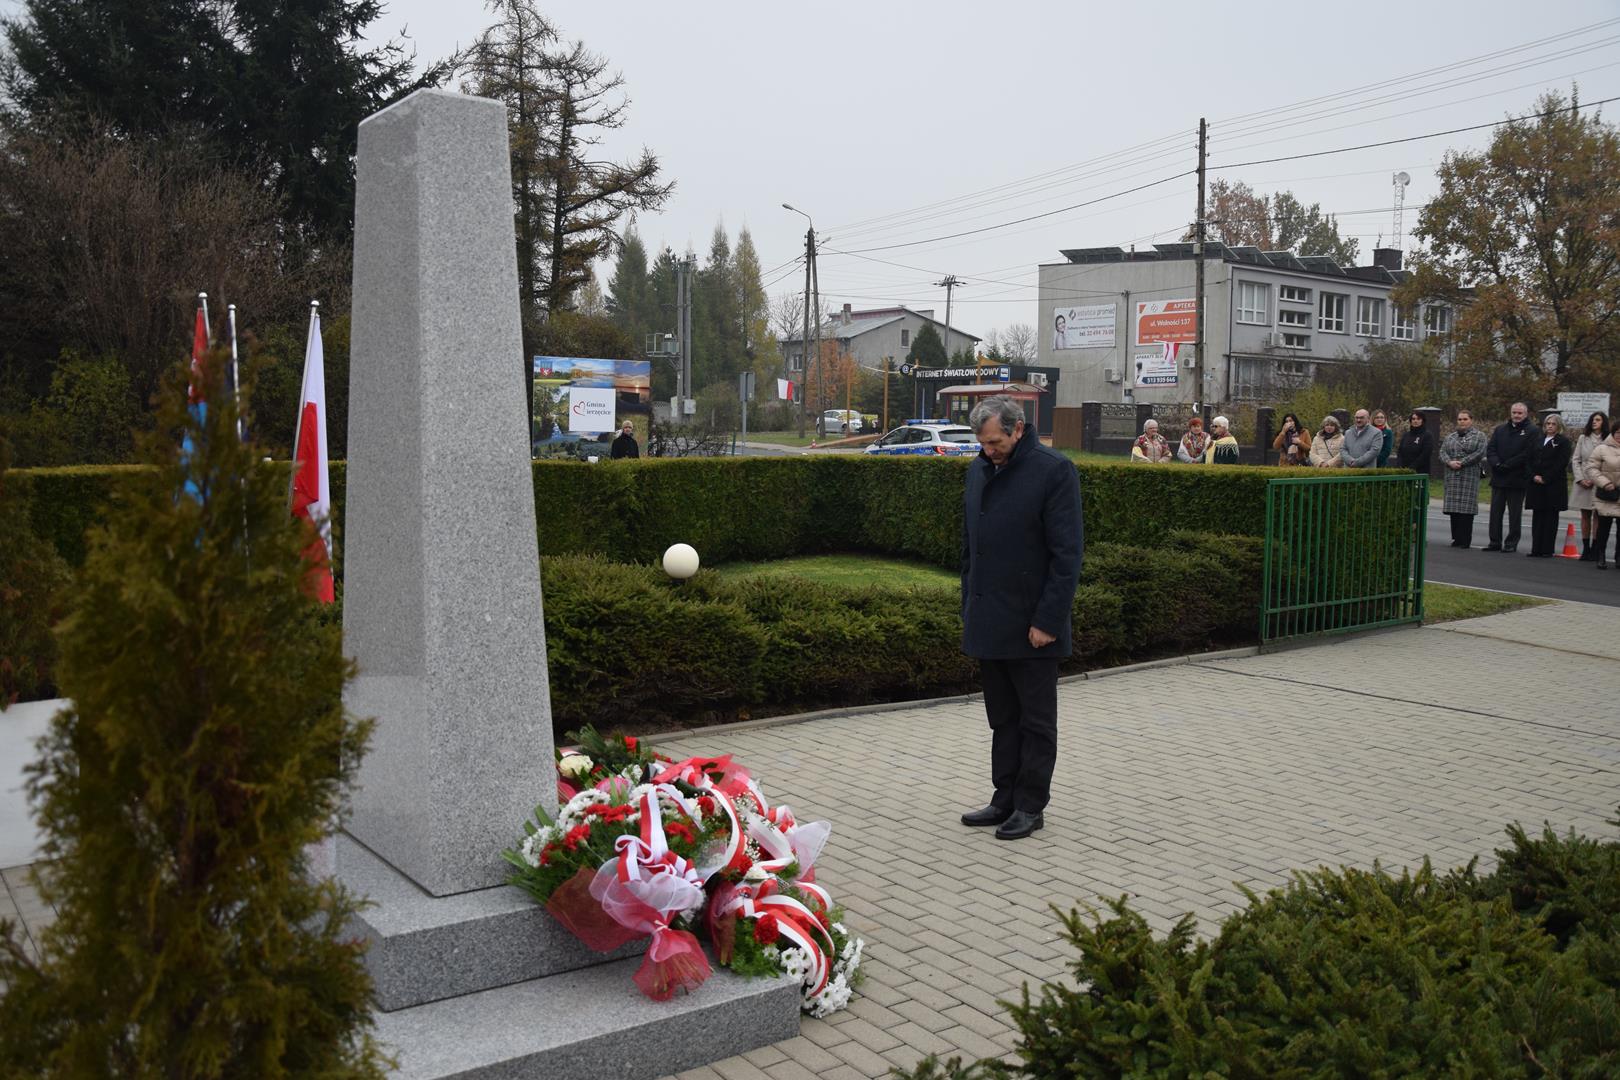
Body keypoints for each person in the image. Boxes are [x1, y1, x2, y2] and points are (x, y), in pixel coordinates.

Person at [958, 395, 1084, 842]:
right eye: (983, 443)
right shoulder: (979, 468)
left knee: (1035, 722)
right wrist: (968, 605)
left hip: (1034, 626)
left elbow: (1067, 556)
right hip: (990, 618)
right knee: (1002, 718)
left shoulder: (1053, 470)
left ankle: (1031, 806)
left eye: (994, 442)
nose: (987, 450)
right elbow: (971, 548)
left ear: (1017, 430)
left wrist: (1049, 620)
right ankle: (1004, 797)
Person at [1485, 402, 1534, 552]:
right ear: (1510, 413)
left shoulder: (1532, 431)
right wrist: (1497, 464)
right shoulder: (1500, 430)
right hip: (1499, 477)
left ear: (1525, 414)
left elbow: (1528, 453)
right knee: (1495, 513)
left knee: (1514, 514)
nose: (1516, 415)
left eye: (1520, 413)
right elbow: (1491, 449)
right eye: (1514, 412)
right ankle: (1494, 542)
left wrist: (1509, 465)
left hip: (1517, 478)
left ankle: (1511, 543)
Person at [1525, 413, 1573, 557]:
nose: (1550, 426)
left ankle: (1547, 549)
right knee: (1538, 516)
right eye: (1548, 424)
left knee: (1550, 518)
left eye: (1553, 424)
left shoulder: (1563, 442)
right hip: (1536, 484)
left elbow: (1561, 462)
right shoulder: (1538, 440)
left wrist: (1546, 477)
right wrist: (1533, 475)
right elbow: (1528, 459)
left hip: (1553, 485)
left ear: (1559, 426)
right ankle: (1536, 548)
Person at [1439, 410, 1488, 547]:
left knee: (1466, 510)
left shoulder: (1479, 436)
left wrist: (1462, 462)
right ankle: (1456, 538)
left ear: (1471, 420)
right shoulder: (1450, 437)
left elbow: (1480, 452)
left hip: (1468, 475)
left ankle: (1465, 539)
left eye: (1465, 419)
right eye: (1460, 419)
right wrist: (1449, 462)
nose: (1462, 422)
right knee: (1454, 509)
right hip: (1452, 475)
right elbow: (1442, 452)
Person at [1571, 411, 1610, 560]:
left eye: (1598, 420)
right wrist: (1580, 478)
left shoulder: (1608, 439)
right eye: (1593, 420)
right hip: (1584, 480)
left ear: (1603, 422)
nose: (1595, 422)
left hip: (1600, 481)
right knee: (1585, 515)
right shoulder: (1583, 438)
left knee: (1598, 515)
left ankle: (1596, 546)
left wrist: (1598, 479)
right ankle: (1586, 547)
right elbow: (1576, 459)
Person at [1583, 427, 1620, 569]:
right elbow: (1591, 468)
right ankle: (1601, 555)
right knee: (1603, 527)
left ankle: (1618, 557)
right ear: (1613, 433)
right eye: (1618, 432)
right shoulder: (1602, 449)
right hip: (1606, 494)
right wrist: (1605, 483)